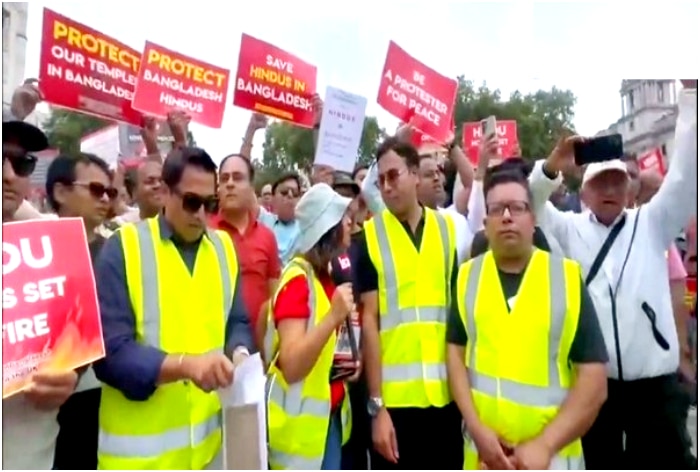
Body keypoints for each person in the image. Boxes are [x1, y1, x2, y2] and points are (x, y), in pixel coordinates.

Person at [528, 79, 698, 469]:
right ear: (584, 192)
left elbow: (686, 180)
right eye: (599, 182)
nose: (609, 189)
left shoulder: (652, 222)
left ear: (630, 189)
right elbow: (531, 204)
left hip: (654, 388)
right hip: (594, 388)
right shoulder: (568, 230)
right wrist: (552, 166)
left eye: (617, 181)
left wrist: (691, 100)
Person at [93, 147, 255, 470]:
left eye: (210, 205)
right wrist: (186, 366)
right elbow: (110, 353)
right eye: (192, 202)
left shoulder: (223, 248)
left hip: (207, 453)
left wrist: (239, 352)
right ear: (165, 192)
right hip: (139, 460)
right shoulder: (123, 249)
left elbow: (236, 320)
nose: (201, 215)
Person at [446, 169, 609, 470]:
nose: (507, 217)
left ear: (533, 220)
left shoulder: (567, 279)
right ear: (485, 223)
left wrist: (545, 444)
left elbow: (594, 382)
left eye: (517, 208)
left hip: (551, 459)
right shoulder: (467, 276)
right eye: (497, 209)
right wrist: (476, 429)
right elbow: (455, 355)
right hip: (485, 456)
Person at [355, 137, 463, 469]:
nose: (386, 187)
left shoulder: (446, 231)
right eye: (381, 180)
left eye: (394, 176)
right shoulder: (369, 238)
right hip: (396, 407)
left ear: (415, 174)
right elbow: (369, 323)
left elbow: (456, 318)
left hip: (445, 399)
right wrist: (377, 408)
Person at [2, 107, 81, 471]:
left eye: (21, 163)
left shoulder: (52, 243)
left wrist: (67, 377)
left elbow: (73, 345)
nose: (8, 174)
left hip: (30, 453)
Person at [266, 183, 357, 470]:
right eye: (344, 218)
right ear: (328, 229)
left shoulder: (327, 276)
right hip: (299, 438)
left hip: (326, 425)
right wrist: (333, 317)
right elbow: (292, 366)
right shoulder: (297, 280)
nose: (351, 223)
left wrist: (348, 363)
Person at [45, 152, 117, 470]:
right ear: (60, 193)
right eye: (96, 190)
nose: (105, 200)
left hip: (106, 392)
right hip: (44, 399)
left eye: (111, 193)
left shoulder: (118, 251)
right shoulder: (29, 252)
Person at [210, 153, 280, 352]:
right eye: (224, 179)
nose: (230, 184)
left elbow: (274, 298)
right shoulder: (204, 233)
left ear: (251, 188)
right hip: (215, 353)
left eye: (238, 177)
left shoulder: (267, 237)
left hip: (258, 353)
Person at [258, 172, 303, 265]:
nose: (290, 195)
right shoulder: (264, 220)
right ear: (273, 198)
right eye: (284, 192)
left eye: (295, 193)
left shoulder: (307, 228)